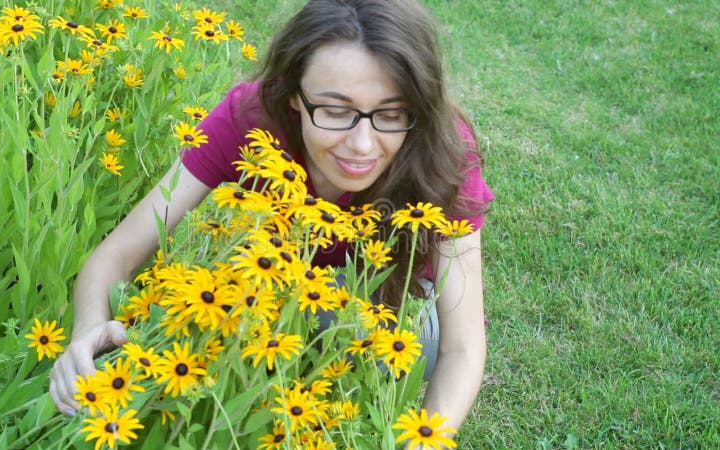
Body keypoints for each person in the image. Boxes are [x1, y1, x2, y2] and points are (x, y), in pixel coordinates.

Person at [50, 0, 494, 435]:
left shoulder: (445, 151)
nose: (362, 144)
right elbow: (118, 253)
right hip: (264, 285)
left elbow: (463, 344)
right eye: (335, 110)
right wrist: (88, 332)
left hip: (385, 304)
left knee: (417, 350)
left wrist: (429, 439)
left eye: (391, 114)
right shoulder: (249, 119)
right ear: (294, 94)